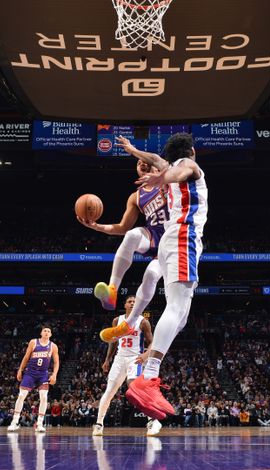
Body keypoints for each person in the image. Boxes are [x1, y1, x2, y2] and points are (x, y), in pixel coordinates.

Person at [106, 133, 208, 421]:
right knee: (175, 308)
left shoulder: (166, 166)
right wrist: (163, 177)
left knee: (183, 315)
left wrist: (133, 150)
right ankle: (148, 378)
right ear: (191, 150)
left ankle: (148, 369)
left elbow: (157, 161)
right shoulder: (188, 164)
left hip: (169, 243)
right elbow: (177, 170)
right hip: (183, 237)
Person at [80, 161, 166, 315]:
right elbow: (122, 227)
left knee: (152, 275)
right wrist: (96, 226)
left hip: (176, 235)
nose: (141, 162)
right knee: (131, 234)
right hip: (154, 236)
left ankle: (134, 319)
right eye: (138, 162)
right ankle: (112, 291)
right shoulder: (136, 197)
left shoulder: (167, 180)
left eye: (145, 160)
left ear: (156, 165)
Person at [93, 296, 161, 437]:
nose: (132, 304)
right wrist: (107, 359)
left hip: (135, 358)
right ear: (125, 305)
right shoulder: (117, 320)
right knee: (110, 391)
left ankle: (152, 421)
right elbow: (113, 341)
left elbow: (152, 343)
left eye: (135, 302)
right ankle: (99, 424)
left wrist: (146, 355)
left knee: (134, 388)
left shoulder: (143, 322)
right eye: (130, 302)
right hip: (119, 358)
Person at [7, 326, 59, 433]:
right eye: (44, 330)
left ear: (51, 334)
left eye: (49, 331)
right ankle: (15, 421)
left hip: (43, 374)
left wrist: (54, 375)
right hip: (30, 372)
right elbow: (26, 357)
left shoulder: (53, 346)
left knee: (44, 397)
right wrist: (20, 370)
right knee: (21, 395)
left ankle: (39, 423)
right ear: (41, 333)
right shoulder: (34, 342)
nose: (46, 332)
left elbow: (56, 362)